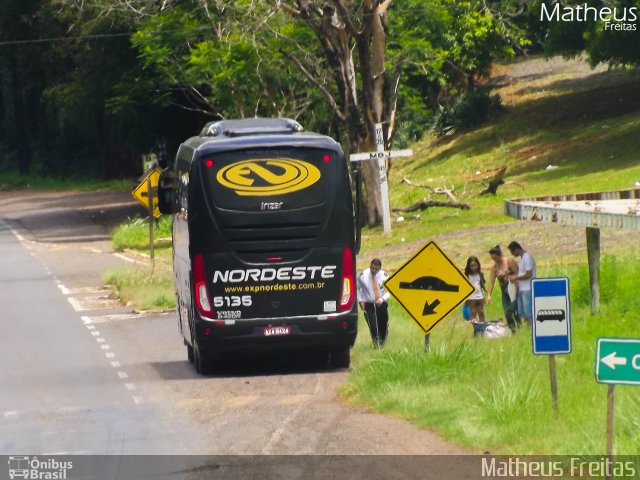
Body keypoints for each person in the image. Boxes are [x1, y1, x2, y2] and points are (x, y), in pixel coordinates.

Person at [357, 258, 390, 347]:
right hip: (368, 303)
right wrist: (360, 300)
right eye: (372, 268)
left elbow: (390, 291)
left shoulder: (384, 276)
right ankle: (376, 345)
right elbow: (356, 288)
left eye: (376, 269)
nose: (374, 270)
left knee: (383, 322)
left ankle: (382, 342)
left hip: (381, 302)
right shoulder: (363, 275)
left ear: (380, 268)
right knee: (372, 325)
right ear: (370, 266)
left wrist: (382, 299)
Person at [486, 245, 520, 332]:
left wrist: (508, 273)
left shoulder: (509, 261)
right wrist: (489, 294)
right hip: (504, 292)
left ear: (500, 255)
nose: (494, 260)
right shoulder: (494, 267)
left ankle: (519, 327)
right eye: (492, 258)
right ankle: (513, 330)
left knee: (514, 310)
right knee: (507, 311)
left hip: (514, 290)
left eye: (495, 257)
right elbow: (491, 281)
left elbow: (518, 274)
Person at [507, 241, 537, 325]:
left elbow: (528, 274)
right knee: (521, 312)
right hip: (522, 288)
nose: (512, 254)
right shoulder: (522, 258)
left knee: (528, 312)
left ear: (516, 249)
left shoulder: (527, 257)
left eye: (512, 252)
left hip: (528, 288)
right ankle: (527, 328)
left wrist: (515, 277)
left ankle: (531, 328)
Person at [463, 256, 486, 324]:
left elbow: (482, 284)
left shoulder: (480, 274)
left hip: (480, 296)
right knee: (473, 313)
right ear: (469, 266)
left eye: (475, 265)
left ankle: (483, 327)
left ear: (478, 265)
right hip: (471, 298)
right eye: (472, 266)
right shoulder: (467, 275)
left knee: (481, 312)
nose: (474, 267)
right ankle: (476, 329)